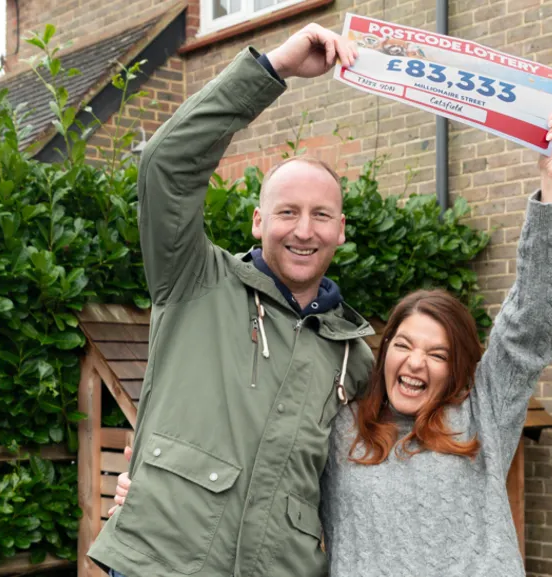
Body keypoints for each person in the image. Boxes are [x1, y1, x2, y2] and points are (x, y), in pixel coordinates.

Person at [113, 105, 552, 575]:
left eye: (438, 353)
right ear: (383, 357)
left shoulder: (482, 415)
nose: (416, 363)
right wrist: (163, 493)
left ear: (458, 367)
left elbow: (527, 331)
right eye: (403, 345)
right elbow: (269, 465)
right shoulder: (346, 423)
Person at [87, 24, 377, 577]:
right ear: (258, 221)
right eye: (287, 212)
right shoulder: (195, 279)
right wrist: (276, 67)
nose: (304, 230)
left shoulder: (354, 356)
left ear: (341, 230)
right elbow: (167, 164)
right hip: (160, 564)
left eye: (321, 215)